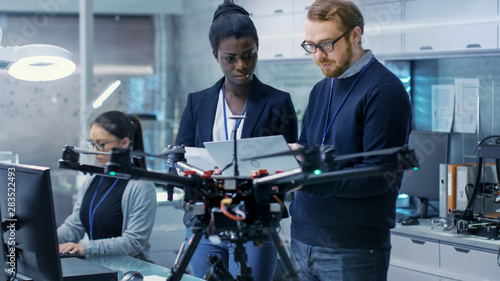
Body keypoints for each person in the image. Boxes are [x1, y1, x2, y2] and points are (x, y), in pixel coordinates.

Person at [288, 0, 412, 280]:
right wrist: (297, 155)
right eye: (311, 45)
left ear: (355, 35)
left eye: (327, 44)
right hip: (301, 239)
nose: (318, 55)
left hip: (352, 248)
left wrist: (310, 180)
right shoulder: (321, 89)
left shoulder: (385, 91)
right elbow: (315, 154)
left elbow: (378, 176)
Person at [175, 1, 298, 279]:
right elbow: (179, 159)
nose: (242, 65)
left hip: (256, 224)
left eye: (249, 55)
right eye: (231, 58)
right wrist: (201, 173)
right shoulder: (198, 103)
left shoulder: (279, 102)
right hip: (205, 224)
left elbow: (288, 170)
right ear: (215, 55)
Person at [57, 110, 157, 262]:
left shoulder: (141, 186)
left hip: (127, 271)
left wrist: (85, 248)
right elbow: (74, 226)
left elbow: (134, 243)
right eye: (92, 143)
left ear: (124, 143)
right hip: (96, 266)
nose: (94, 151)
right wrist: (49, 239)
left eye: (101, 144)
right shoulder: (93, 179)